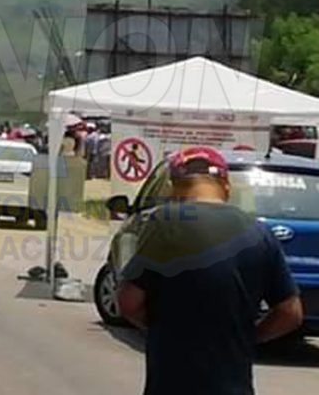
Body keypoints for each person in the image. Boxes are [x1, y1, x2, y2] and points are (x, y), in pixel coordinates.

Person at [116, 147, 303, 395]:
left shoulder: (166, 221)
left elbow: (129, 303)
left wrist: (163, 332)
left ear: (173, 187)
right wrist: (248, 337)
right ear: (226, 186)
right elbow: (291, 313)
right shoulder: (260, 232)